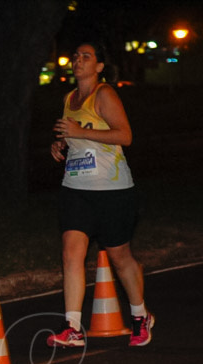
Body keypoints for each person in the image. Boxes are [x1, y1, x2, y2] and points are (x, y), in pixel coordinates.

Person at [48, 41, 153, 348]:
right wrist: (61, 145)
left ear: (99, 67)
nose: (78, 60)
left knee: (120, 258)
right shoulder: (69, 97)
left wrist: (79, 132)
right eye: (76, 55)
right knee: (71, 252)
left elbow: (125, 135)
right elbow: (76, 137)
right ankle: (73, 327)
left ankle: (139, 316)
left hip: (113, 190)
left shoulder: (104, 94)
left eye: (86, 57)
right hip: (76, 189)